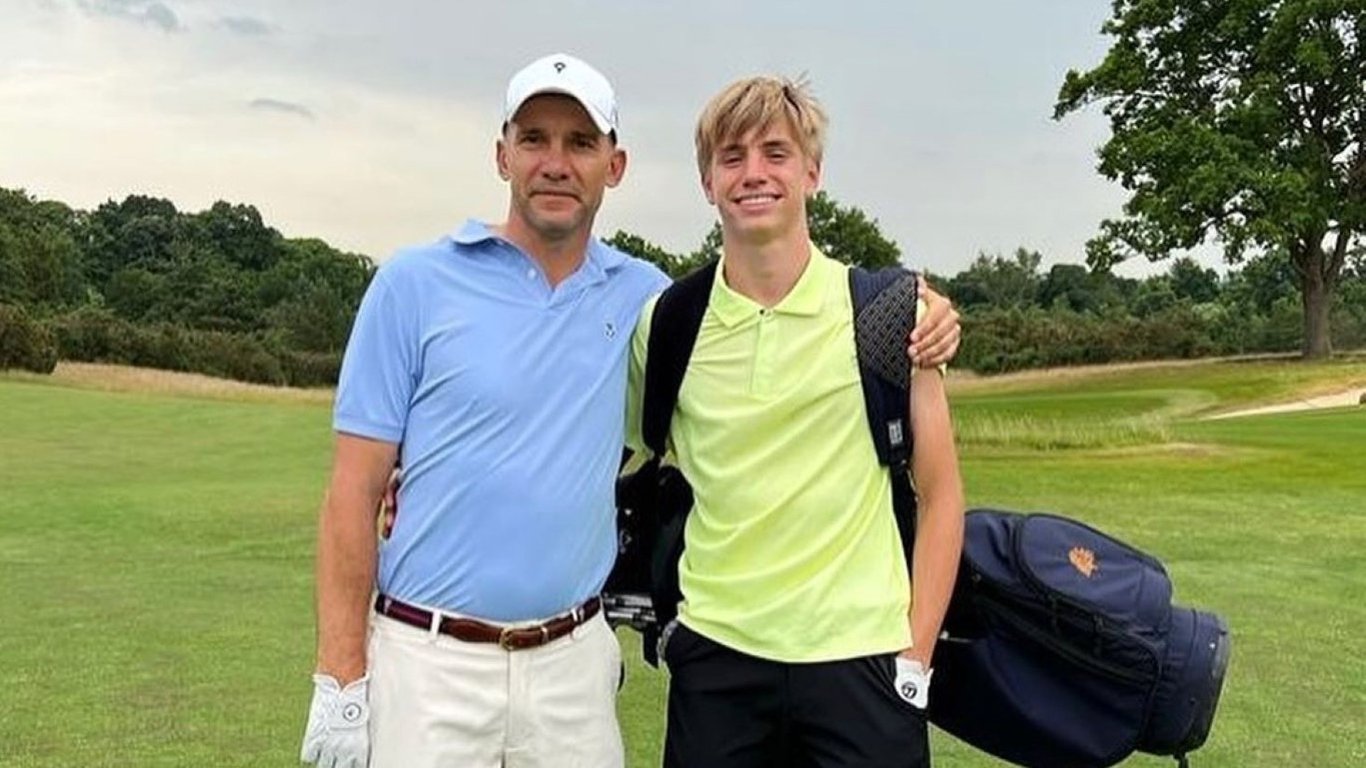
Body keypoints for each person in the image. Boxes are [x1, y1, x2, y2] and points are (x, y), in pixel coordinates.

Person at [301, 54, 961, 768]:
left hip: (596, 667)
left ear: (613, 165)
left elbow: (939, 490)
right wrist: (341, 677)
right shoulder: (430, 287)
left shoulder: (666, 304)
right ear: (502, 155)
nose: (556, 163)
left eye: (581, 142)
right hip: (450, 662)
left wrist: (930, 310)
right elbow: (356, 489)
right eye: (534, 139)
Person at [626, 76, 965, 768]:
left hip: (864, 658)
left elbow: (942, 494)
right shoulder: (667, 323)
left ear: (812, 171)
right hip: (717, 656)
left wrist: (915, 658)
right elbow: (611, 453)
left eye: (775, 153)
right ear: (708, 182)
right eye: (732, 157)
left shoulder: (890, 313)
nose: (754, 173)